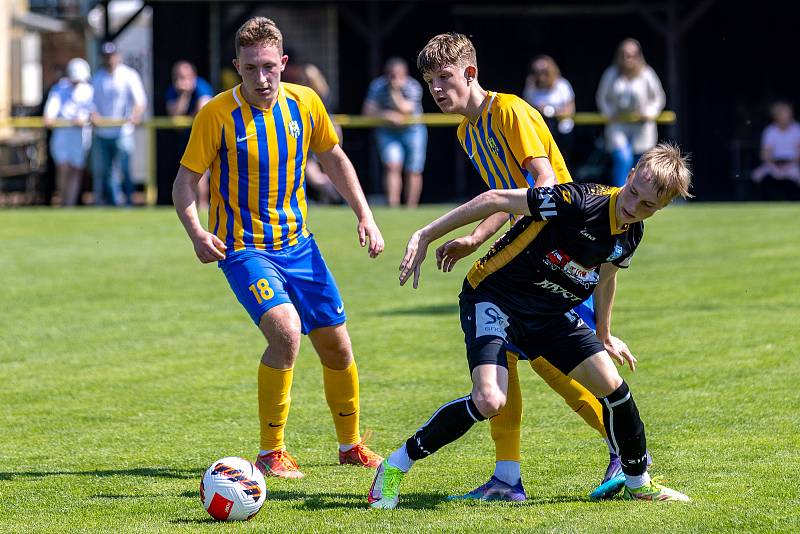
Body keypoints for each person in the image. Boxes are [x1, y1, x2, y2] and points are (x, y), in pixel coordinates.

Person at [369, 143, 693, 509]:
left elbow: (606, 277)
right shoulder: (579, 201)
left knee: (615, 390)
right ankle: (395, 466)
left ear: (662, 207)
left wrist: (603, 334)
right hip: (494, 297)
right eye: (634, 193)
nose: (634, 207)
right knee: (490, 399)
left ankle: (639, 483)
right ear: (630, 175)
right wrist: (426, 234)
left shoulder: (631, 234)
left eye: (648, 205)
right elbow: (496, 199)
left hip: (549, 315)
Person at [405, 31, 632, 503]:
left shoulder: (510, 111)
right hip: (528, 249)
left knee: (554, 365)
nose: (438, 90)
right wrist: (473, 237)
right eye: (430, 83)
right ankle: (508, 477)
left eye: (445, 78)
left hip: (557, 251)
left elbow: (543, 186)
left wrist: (463, 237)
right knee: (504, 356)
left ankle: (619, 453)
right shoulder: (469, 130)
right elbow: (510, 197)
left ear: (471, 73)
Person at [172, 17, 385, 479]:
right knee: (286, 332)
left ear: (284, 63)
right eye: (251, 69)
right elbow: (186, 181)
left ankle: (350, 446)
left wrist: (364, 215)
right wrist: (195, 232)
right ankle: (271, 453)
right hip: (244, 250)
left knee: (337, 347)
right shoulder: (215, 114)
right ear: (237, 68)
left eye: (270, 67)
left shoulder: (305, 103)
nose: (262, 78)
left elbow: (333, 157)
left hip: (300, 246)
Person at [596, 38, 665, 187]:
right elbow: (602, 98)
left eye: (632, 55)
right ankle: (620, 197)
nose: (628, 58)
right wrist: (609, 113)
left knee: (641, 166)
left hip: (642, 127)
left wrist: (649, 112)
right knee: (622, 158)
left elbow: (658, 98)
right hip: (618, 125)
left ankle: (640, 200)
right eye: (624, 54)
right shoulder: (611, 74)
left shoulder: (647, 73)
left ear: (638, 56)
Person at [362, 58, 428, 207]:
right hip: (388, 131)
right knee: (392, 166)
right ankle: (394, 207)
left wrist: (395, 91)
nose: (394, 78)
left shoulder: (413, 86)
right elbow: (367, 111)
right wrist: (386, 115)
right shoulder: (378, 86)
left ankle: (411, 208)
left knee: (414, 170)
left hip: (413, 130)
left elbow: (405, 109)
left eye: (398, 75)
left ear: (405, 74)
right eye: (391, 75)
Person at [91, 41, 147, 206]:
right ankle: (115, 203)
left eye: (112, 55)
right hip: (103, 132)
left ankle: (128, 201)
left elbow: (140, 101)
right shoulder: (98, 77)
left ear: (118, 56)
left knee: (124, 170)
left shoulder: (129, 75)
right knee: (107, 172)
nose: (110, 59)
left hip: (123, 131)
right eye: (107, 56)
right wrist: (94, 115)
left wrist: (135, 115)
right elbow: (91, 103)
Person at [282, 54, 342, 204]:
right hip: (326, 127)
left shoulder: (309, 96)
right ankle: (330, 193)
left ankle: (332, 193)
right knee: (317, 167)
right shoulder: (323, 93)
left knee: (312, 167)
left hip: (317, 128)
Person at [43, 58, 94, 206]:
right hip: (62, 136)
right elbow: (50, 112)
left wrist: (84, 119)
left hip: (80, 137)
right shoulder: (59, 88)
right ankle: (63, 201)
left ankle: (69, 205)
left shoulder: (88, 90)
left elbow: (92, 111)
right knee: (63, 169)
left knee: (76, 170)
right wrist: (50, 118)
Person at [166, 60, 214, 208]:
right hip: (186, 139)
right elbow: (175, 118)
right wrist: (184, 95)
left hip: (207, 137)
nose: (180, 80)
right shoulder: (173, 91)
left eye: (184, 76)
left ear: (193, 76)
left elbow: (202, 112)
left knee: (202, 176)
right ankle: (192, 206)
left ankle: (203, 206)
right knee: (188, 177)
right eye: (177, 76)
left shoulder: (201, 86)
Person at [523, 55, 576, 162]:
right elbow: (526, 108)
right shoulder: (531, 87)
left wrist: (552, 112)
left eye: (544, 71)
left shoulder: (562, 85)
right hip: (539, 132)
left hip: (561, 132)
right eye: (536, 72)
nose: (540, 75)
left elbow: (570, 110)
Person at [751, 101, 800, 200]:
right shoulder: (769, 131)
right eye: (783, 114)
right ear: (776, 116)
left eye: (788, 113)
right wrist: (773, 165)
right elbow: (765, 153)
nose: (786, 116)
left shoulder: (797, 129)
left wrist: (789, 165)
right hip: (774, 164)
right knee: (756, 175)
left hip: (792, 164)